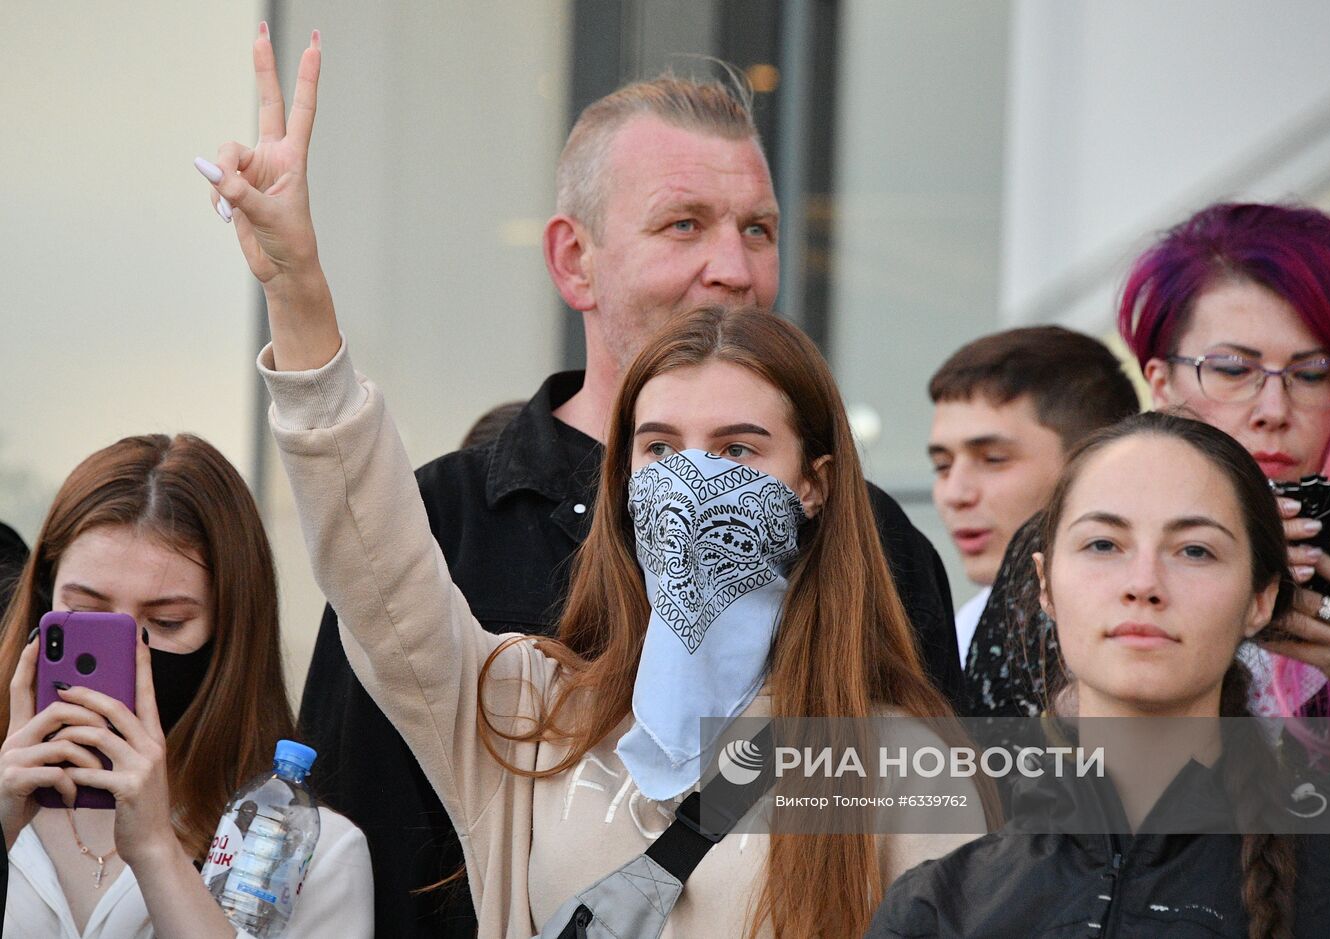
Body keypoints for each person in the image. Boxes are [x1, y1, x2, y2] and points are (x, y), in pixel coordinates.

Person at [220, 26, 963, 936]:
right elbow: (373, 558)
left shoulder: (898, 758)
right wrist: (298, 289)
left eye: (736, 450)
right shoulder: (528, 716)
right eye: (657, 448)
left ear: (813, 484)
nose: (692, 482)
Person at [867, 412, 1330, 938]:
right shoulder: (937, 907)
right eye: (1103, 544)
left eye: (1195, 550)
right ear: (1045, 584)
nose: (1143, 584)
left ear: (1259, 600)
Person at [966, 203, 1330, 733]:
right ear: (1163, 383)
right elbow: (987, 786)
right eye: (1234, 370)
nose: (1274, 410)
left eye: (1310, 375)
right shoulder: (1064, 548)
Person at [0, 433, 373, 938]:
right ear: (43, 601)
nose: (131, 653)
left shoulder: (316, 849)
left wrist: (157, 851)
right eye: (86, 614)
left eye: (168, 623)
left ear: (228, 635)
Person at [926, 326, 1138, 665]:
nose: (955, 494)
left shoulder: (1157, 624)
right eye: (942, 465)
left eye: (993, 459)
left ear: (1093, 464)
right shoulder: (960, 640)